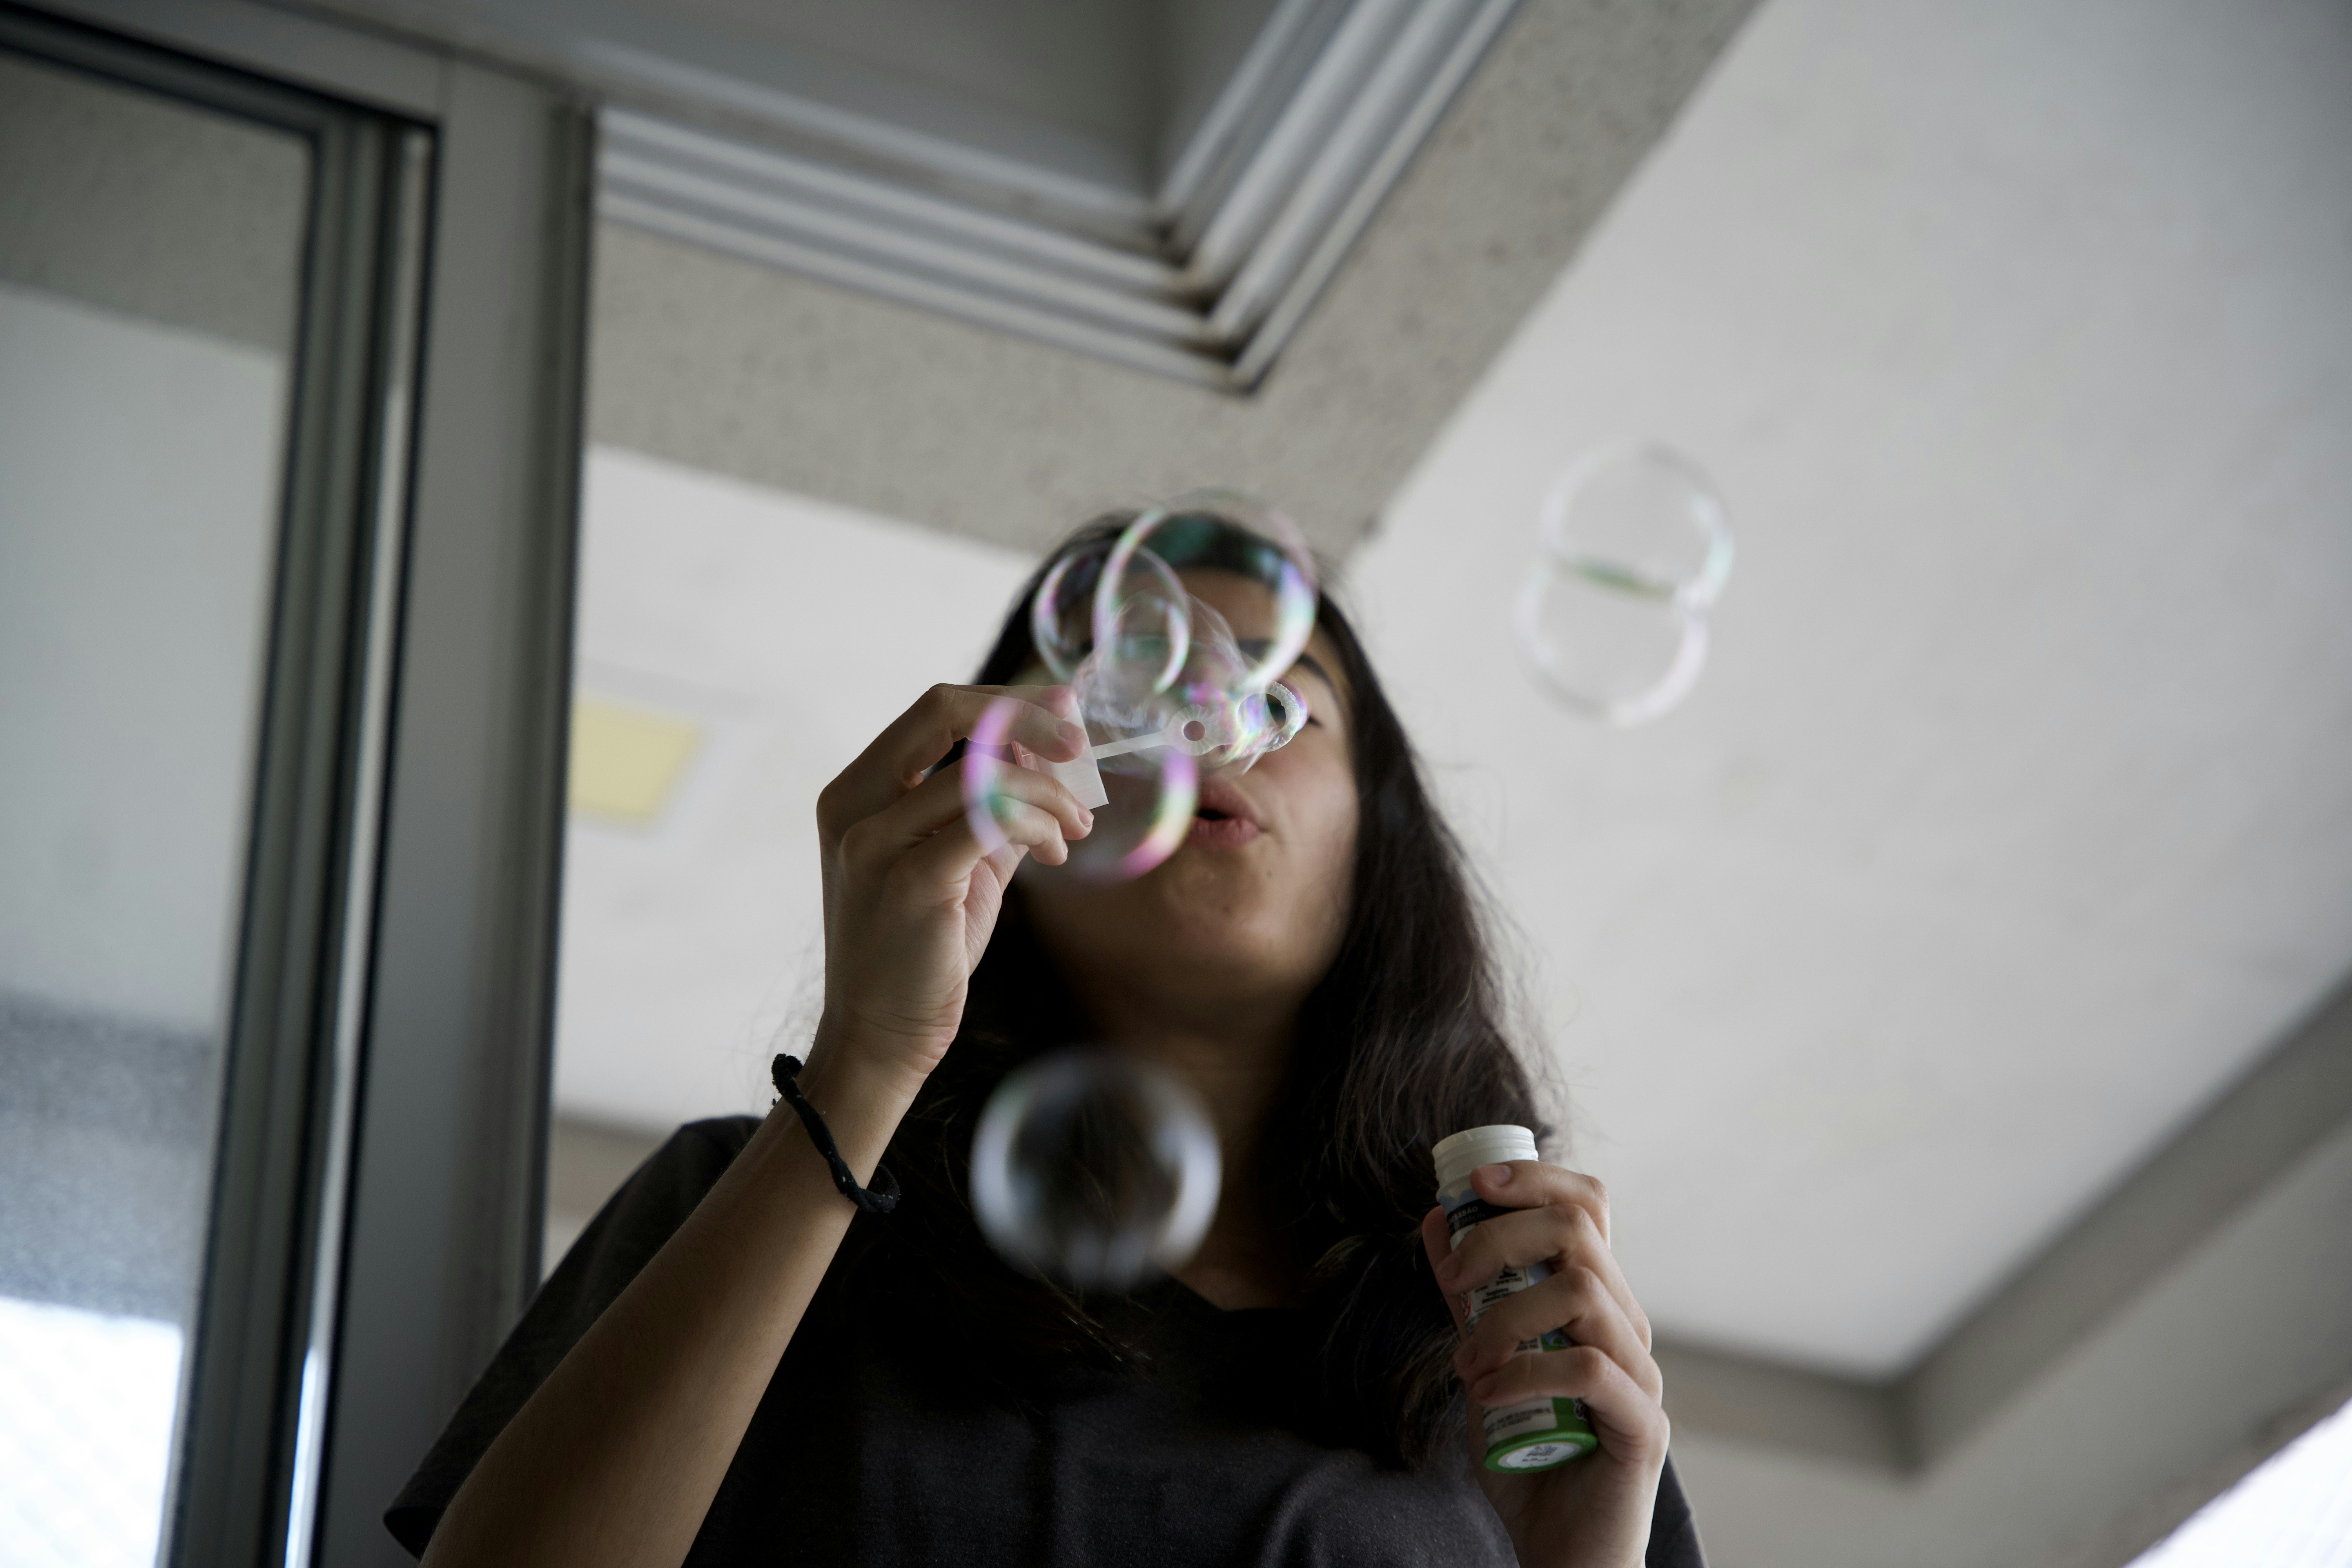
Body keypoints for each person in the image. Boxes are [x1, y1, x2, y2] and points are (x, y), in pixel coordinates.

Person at [388, 512, 1702, 1568]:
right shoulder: (753, 1204)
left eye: (1276, 692)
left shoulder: (1522, 1346)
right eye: (1134, 686)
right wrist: (868, 1058)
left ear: (1381, 842)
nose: (1205, 722)